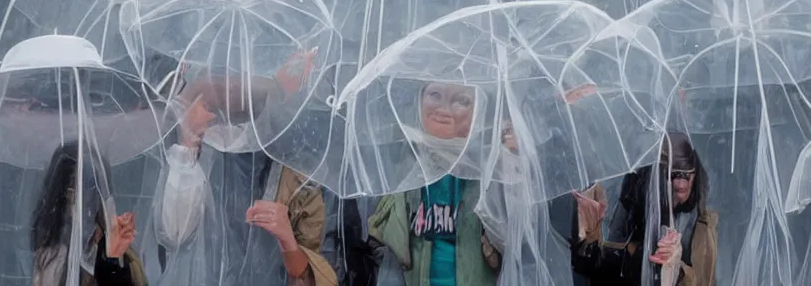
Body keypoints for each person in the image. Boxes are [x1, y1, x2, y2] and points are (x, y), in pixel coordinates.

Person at [153, 49, 339, 286]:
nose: (231, 85)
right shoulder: (184, 152)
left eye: (239, 77)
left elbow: (315, 275)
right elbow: (173, 236)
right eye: (221, 76)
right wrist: (188, 145)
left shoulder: (294, 169)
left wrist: (287, 240)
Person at [366, 82, 502, 286]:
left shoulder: (493, 167)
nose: (444, 109)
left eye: (461, 100)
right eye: (435, 95)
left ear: (478, 110)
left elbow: (515, 245)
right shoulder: (398, 162)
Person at [572, 132, 718, 286]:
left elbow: (704, 279)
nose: (672, 189)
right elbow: (598, 267)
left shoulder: (701, 224)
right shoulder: (630, 212)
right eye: (662, 179)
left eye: (682, 176)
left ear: (693, 177)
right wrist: (590, 231)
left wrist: (676, 271)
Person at [31, 141, 147, 286]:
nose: (85, 200)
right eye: (73, 187)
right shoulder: (51, 257)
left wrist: (112, 261)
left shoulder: (122, 248)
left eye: (92, 187)